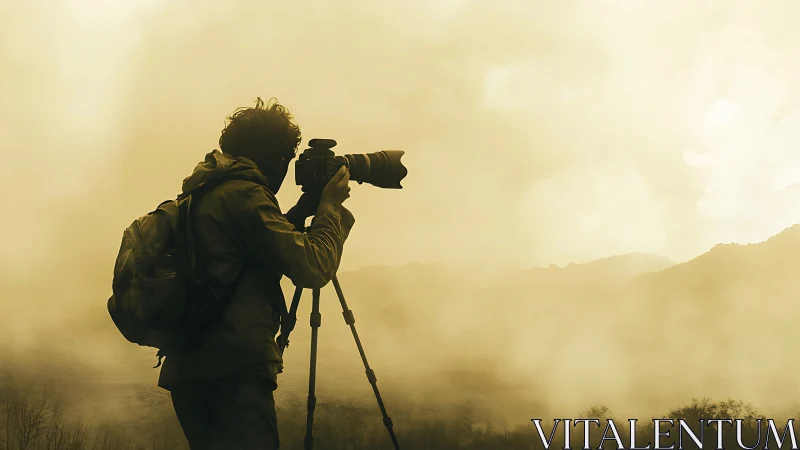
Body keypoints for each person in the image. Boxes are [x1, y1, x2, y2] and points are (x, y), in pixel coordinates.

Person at [157, 97, 355, 450]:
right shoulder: (246, 196)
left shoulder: (207, 192)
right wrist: (329, 210)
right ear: (276, 158)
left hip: (191, 369)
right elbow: (313, 267)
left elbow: (253, 255)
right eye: (288, 160)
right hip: (233, 373)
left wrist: (300, 210)